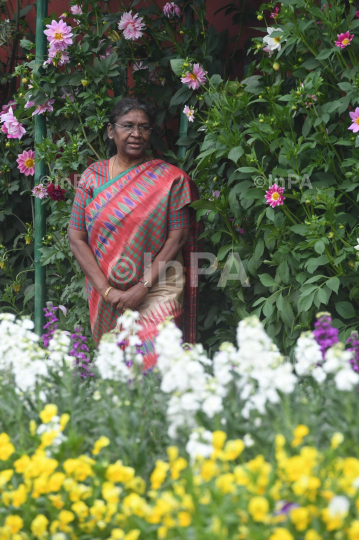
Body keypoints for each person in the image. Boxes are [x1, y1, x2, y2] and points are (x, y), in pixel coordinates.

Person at [68, 97, 202, 368]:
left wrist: (141, 288)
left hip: (159, 286)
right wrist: (107, 291)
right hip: (108, 292)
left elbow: (178, 238)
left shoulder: (170, 179)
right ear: (110, 131)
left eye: (144, 127)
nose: (136, 134)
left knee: (158, 358)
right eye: (127, 126)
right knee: (118, 367)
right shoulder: (92, 177)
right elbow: (76, 237)